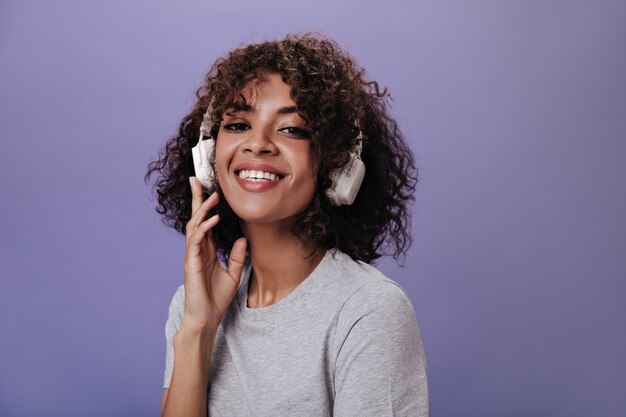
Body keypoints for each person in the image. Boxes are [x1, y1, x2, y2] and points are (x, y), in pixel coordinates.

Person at [145, 32, 428, 417]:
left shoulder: (368, 311)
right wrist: (199, 328)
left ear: (339, 165)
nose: (257, 144)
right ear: (208, 156)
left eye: (292, 129)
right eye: (238, 125)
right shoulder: (193, 305)